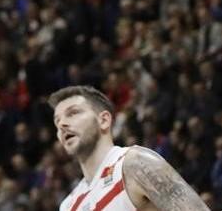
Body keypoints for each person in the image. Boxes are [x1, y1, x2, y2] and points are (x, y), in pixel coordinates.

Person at [50, 85, 207, 211]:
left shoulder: (134, 164)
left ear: (103, 120)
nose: (62, 125)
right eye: (57, 122)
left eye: (73, 113)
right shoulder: (68, 205)